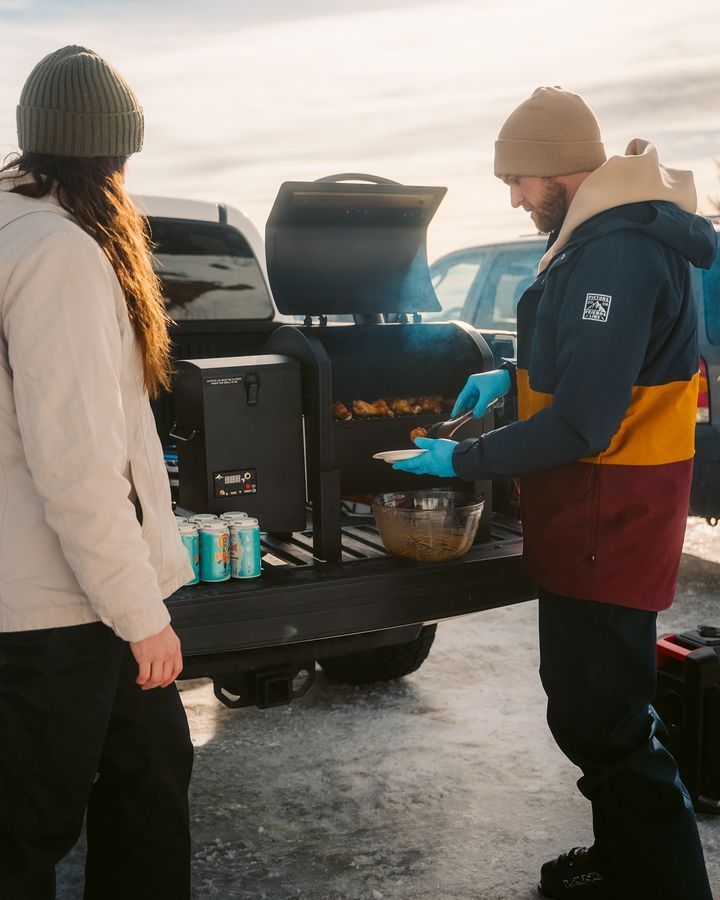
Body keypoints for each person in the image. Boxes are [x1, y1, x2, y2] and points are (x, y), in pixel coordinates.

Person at [394, 86, 716, 899]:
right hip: (596, 516)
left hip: (609, 512)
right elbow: (603, 359)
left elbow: (584, 425)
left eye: (518, 181)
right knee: (595, 712)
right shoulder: (603, 237)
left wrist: (461, 466)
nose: (512, 197)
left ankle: (666, 884)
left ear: (558, 172)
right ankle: (625, 863)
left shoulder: (617, 250)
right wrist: (511, 372)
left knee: (606, 723)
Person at [0, 46, 194, 900]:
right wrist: (141, 613)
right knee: (25, 831)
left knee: (152, 772)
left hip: (72, 593)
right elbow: (78, 466)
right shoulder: (58, 254)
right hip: (59, 605)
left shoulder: (17, 230)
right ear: (111, 157)